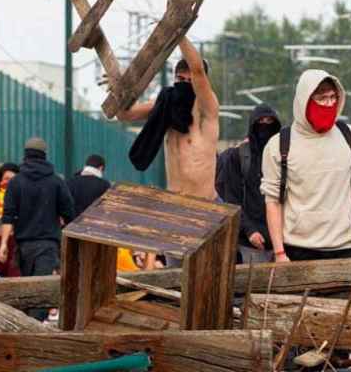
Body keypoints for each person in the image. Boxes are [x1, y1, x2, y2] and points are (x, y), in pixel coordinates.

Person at [260, 70, 351, 262]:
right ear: (305, 100)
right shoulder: (279, 145)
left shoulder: (350, 136)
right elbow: (272, 201)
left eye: (333, 97)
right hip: (297, 249)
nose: (330, 104)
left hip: (344, 246)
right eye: (322, 98)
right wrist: (279, 252)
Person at [122, 38, 219, 200]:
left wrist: (179, 33)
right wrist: (119, 90)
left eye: (190, 82)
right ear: (174, 79)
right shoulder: (166, 104)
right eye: (181, 80)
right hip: (174, 203)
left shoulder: (206, 108)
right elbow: (125, 115)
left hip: (205, 204)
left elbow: (198, 71)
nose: (185, 85)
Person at [0, 138, 76, 320]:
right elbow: (70, 213)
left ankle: (28, 330)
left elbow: (8, 215)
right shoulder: (56, 182)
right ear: (44, 155)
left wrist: (3, 243)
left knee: (28, 291)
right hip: (48, 245)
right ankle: (33, 329)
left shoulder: (15, 182)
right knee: (42, 292)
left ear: (25, 155)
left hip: (24, 247)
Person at [219, 105, 282, 264]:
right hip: (250, 243)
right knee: (252, 285)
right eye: (260, 121)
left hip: (284, 241)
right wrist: (249, 230)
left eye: (269, 121)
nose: (265, 125)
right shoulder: (238, 156)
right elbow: (231, 199)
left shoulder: (283, 155)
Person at [68, 155, 111, 219]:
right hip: (94, 224)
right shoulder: (105, 185)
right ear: (101, 168)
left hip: (72, 224)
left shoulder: (70, 181)